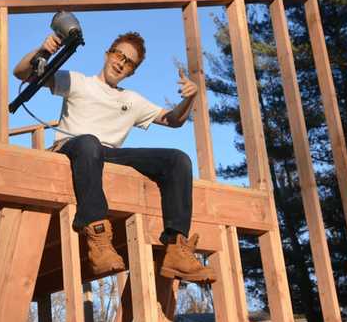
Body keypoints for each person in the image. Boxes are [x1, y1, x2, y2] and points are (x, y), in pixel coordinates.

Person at [13, 31, 215, 284]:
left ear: (132, 72)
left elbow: (173, 120)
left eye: (128, 62)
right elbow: (22, 74)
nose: (121, 62)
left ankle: (177, 248)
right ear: (108, 54)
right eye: (118, 55)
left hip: (108, 156)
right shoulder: (78, 82)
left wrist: (190, 98)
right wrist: (43, 50)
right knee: (89, 142)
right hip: (74, 147)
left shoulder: (131, 100)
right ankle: (98, 237)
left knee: (177, 159)